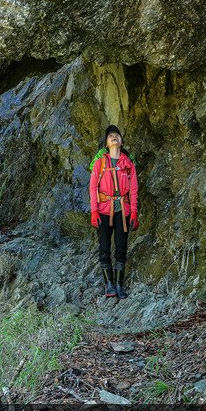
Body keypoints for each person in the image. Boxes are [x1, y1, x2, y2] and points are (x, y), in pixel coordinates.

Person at [89, 125, 139, 299]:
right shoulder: (100, 163)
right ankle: (109, 284)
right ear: (106, 143)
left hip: (122, 212)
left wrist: (134, 212)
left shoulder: (128, 164)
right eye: (110, 135)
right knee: (104, 248)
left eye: (117, 135)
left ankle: (119, 284)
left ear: (121, 141)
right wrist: (94, 211)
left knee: (121, 248)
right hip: (103, 210)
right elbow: (93, 187)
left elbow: (133, 190)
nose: (114, 137)